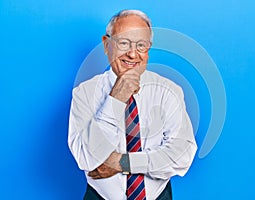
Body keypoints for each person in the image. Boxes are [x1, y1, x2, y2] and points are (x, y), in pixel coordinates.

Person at [68, 9, 197, 200]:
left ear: (148, 50)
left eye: (141, 45)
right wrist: (115, 99)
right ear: (106, 44)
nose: (132, 54)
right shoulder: (84, 93)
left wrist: (123, 163)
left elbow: (181, 156)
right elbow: (86, 158)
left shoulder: (168, 91)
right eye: (123, 43)